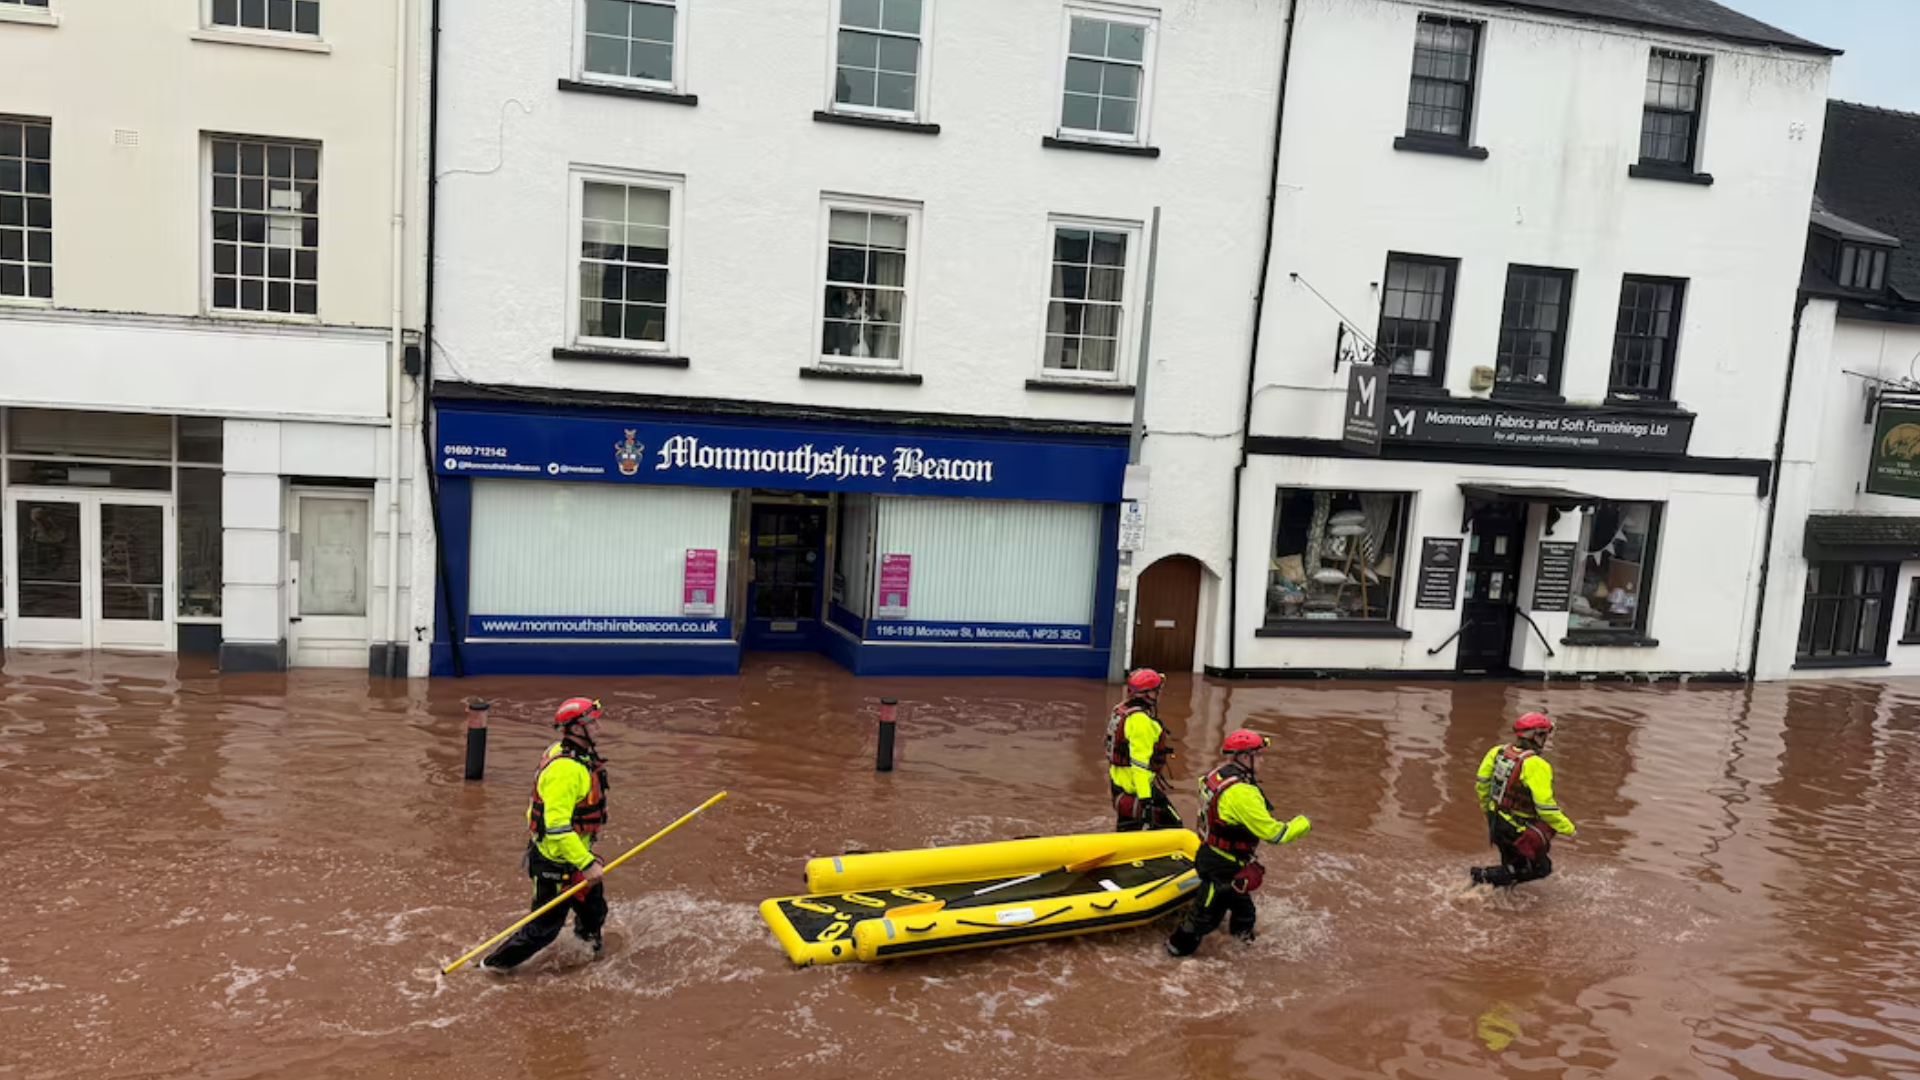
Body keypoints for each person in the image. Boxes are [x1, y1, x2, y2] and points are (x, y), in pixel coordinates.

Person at [483, 697, 612, 971]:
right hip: (556, 862)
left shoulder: (573, 754)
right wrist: (586, 863)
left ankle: (586, 958)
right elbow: (556, 826)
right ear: (577, 730)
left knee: (594, 912)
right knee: (542, 929)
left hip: (576, 856)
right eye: (592, 723)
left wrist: (584, 859)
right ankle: (491, 968)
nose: (599, 727)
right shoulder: (565, 770)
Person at [1166, 730, 1311, 957]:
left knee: (1245, 913)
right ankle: (1172, 956)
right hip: (1222, 865)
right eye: (1259, 755)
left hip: (1215, 856)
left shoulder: (1215, 776)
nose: (1263, 760)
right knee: (1201, 920)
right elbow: (1276, 835)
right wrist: (1304, 823)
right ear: (1245, 757)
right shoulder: (1242, 793)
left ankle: (1240, 955)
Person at [1470, 712, 1576, 889]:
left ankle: (1495, 899)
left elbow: (1482, 784)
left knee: (1510, 866)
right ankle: (1480, 876)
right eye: (1545, 735)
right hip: (1518, 829)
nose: (1546, 740)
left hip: (1496, 820)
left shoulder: (1496, 752)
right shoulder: (1537, 765)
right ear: (1538, 736)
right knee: (1542, 868)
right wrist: (1569, 829)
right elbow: (1545, 808)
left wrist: (1488, 811)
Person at [1105, 668, 1181, 832]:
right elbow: (1140, 764)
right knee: (1174, 825)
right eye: (1156, 691)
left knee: (1127, 828)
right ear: (1147, 694)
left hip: (1119, 782)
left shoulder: (1122, 709)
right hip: (1135, 787)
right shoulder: (1141, 722)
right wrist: (1146, 800)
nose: (1158, 694)